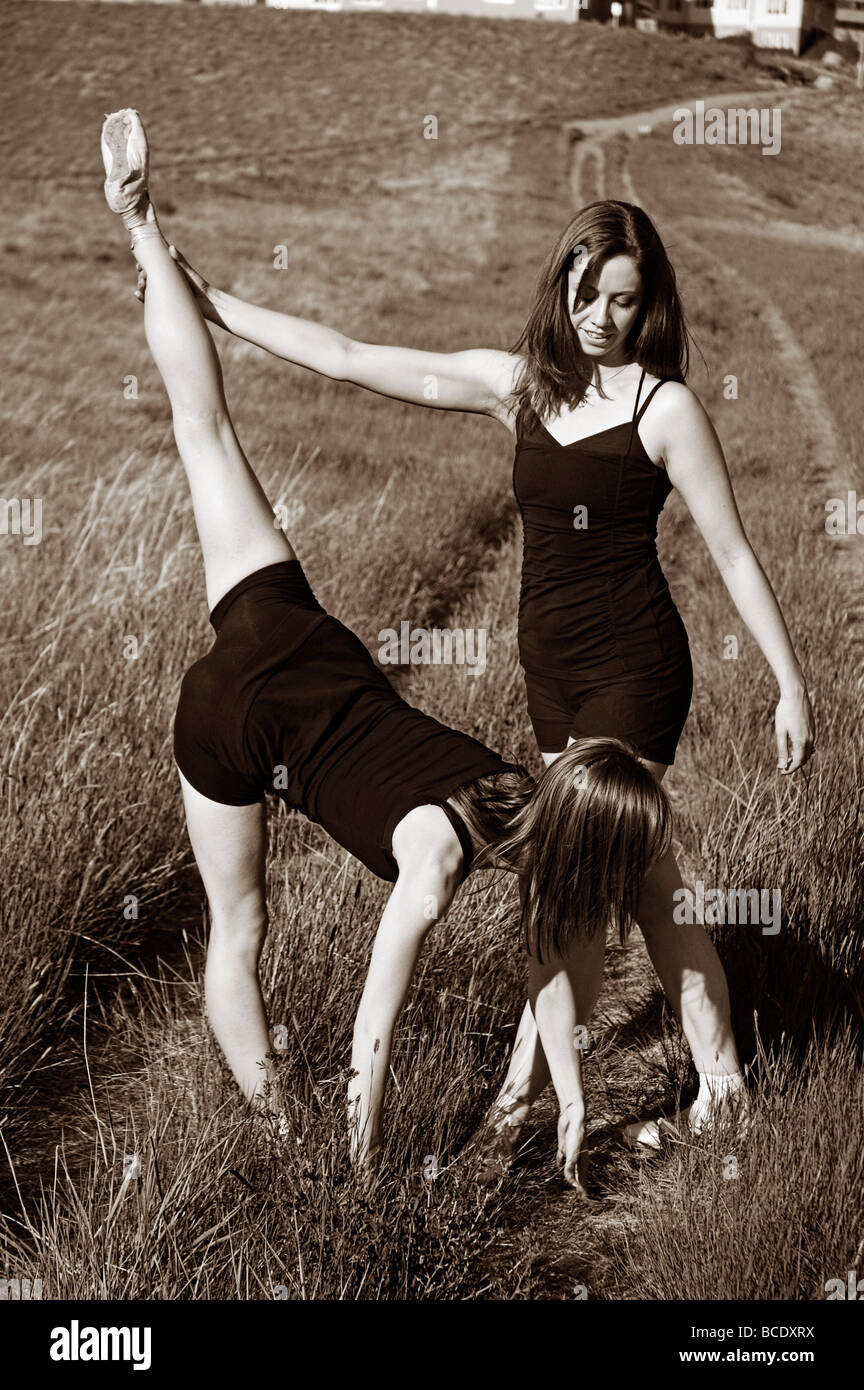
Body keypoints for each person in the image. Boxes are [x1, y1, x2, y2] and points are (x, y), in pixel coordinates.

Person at [130, 137, 814, 1166]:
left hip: (636, 670)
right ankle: (605, 1082)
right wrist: (214, 299)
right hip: (553, 674)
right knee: (595, 877)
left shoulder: (663, 409)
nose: (601, 316)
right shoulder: (518, 388)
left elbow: (731, 551)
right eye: (587, 292)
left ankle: (607, 1088)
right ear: (564, 287)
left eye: (623, 300)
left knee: (618, 875)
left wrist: (789, 683)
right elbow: (355, 358)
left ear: (648, 305)